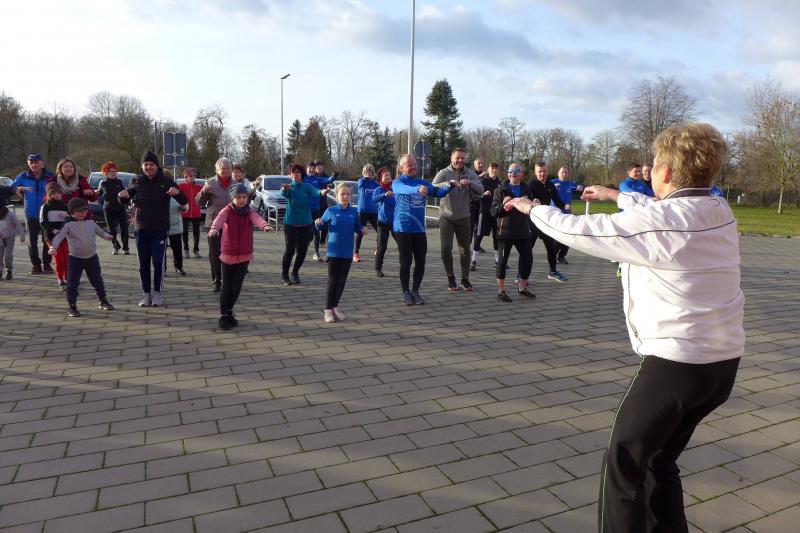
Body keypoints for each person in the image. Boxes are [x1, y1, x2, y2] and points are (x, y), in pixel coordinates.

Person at [509, 122, 744, 533]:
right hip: (722, 367)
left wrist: (532, 208)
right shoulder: (719, 210)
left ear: (665, 171)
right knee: (658, 460)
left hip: (678, 366)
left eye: (654, 165)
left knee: (623, 463)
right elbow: (655, 210)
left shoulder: (664, 223)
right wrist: (614, 195)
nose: (650, 172)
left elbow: (576, 229)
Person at [119, 151, 187, 307]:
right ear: (142, 166)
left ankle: (157, 292)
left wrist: (177, 193)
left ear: (157, 166)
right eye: (146, 164)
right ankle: (146, 294)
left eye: (151, 164)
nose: (149, 167)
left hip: (160, 229)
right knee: (143, 264)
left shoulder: (166, 181)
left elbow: (183, 200)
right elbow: (125, 199)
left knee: (157, 262)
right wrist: (121, 196)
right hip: (141, 228)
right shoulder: (137, 181)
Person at [208, 183, 271, 330]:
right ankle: (223, 316)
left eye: (244, 197)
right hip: (228, 254)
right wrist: (214, 228)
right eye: (238, 197)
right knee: (227, 287)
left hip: (244, 254)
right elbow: (219, 220)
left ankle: (229, 312)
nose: (242, 200)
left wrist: (265, 225)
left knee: (236, 288)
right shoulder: (227, 210)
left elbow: (257, 219)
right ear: (233, 198)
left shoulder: (250, 211)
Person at [393, 154, 454, 305]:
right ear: (402, 167)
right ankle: (405, 292)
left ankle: (415, 291)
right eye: (409, 165)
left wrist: (450, 186)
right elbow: (404, 189)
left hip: (419, 229)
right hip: (403, 228)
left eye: (415, 164)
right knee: (406, 262)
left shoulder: (423, 182)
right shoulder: (398, 183)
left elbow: (437, 193)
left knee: (421, 261)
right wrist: (417, 189)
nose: (414, 167)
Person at [49, 198, 114, 317]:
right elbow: (59, 236)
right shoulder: (68, 224)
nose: (82, 213)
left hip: (92, 257)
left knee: (97, 280)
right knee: (73, 283)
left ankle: (103, 301)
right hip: (75, 259)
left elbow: (100, 231)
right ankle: (72, 306)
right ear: (71, 212)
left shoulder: (91, 222)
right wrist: (53, 247)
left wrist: (107, 236)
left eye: (84, 211)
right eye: (79, 211)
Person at [432, 148, 483, 291]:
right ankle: (450, 277)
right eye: (457, 158)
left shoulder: (470, 173)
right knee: (446, 248)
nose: (460, 160)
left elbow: (480, 189)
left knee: (464, 249)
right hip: (446, 217)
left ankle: (465, 279)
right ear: (451, 158)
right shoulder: (443, 173)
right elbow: (433, 187)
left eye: (462, 158)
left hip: (464, 217)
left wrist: (470, 183)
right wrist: (448, 184)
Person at [315, 182, 364, 323]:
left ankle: (335, 306)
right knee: (332, 281)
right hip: (334, 252)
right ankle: (327, 310)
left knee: (342, 281)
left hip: (347, 252)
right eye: (342, 194)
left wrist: (362, 230)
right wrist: (318, 224)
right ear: (336, 195)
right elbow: (320, 227)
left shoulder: (354, 212)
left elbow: (358, 228)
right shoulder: (330, 211)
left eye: (348, 194)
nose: (345, 196)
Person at [491, 163, 535, 302]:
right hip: (505, 232)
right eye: (510, 171)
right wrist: (503, 205)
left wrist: (534, 203)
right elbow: (493, 212)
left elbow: (530, 206)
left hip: (523, 231)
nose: (513, 173)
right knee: (502, 262)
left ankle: (522, 288)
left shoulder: (526, 189)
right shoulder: (500, 190)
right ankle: (501, 291)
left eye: (516, 171)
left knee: (528, 259)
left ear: (522, 174)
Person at [280, 163, 327, 285]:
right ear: (291, 175)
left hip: (306, 224)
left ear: (302, 175)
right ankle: (284, 275)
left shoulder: (307, 187)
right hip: (290, 223)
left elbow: (317, 192)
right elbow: (283, 193)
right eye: (293, 173)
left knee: (302, 251)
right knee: (290, 250)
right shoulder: (289, 187)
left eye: (298, 173)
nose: (295, 175)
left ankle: (295, 273)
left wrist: (323, 191)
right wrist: (284, 189)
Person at [196, 158, 234, 292]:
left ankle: (228, 280)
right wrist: (203, 192)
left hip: (231, 224)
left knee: (230, 253)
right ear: (217, 170)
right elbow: (199, 202)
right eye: (223, 168)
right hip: (213, 224)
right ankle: (217, 281)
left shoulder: (235, 184)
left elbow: (243, 201)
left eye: (228, 168)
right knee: (215, 254)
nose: (226, 171)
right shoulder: (210, 183)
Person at [12, 154, 54, 274]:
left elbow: (57, 189)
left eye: (36, 162)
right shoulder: (23, 176)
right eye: (31, 162)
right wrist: (19, 190)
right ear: (28, 164)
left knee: (47, 239)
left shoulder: (50, 176)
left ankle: (47, 264)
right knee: (32, 241)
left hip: (47, 214)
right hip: (30, 214)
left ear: (42, 163)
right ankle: (36, 265)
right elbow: (12, 188)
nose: (34, 164)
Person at [527, 161, 568, 283]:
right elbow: (525, 200)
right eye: (540, 171)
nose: (542, 174)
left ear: (547, 171)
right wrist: (532, 202)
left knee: (551, 248)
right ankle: (521, 275)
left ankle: (553, 272)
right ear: (535, 172)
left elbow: (557, 200)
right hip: (533, 222)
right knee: (527, 250)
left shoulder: (551, 185)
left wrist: (565, 205)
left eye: (544, 171)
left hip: (545, 222)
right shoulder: (531, 185)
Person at [550, 166, 583, 264]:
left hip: (567, 213)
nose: (564, 174)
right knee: (558, 236)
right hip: (556, 213)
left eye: (566, 173)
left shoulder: (570, 184)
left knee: (568, 236)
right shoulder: (552, 182)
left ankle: (561, 256)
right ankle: (552, 256)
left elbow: (580, 188)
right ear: (558, 173)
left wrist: (581, 187)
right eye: (562, 172)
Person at [39, 183, 70, 289]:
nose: (57, 195)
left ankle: (68, 279)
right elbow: (43, 222)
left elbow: (71, 221)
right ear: (49, 194)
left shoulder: (65, 206)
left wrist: (67, 216)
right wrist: (53, 230)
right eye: (54, 193)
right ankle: (60, 280)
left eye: (59, 193)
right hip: (51, 237)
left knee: (66, 259)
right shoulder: (45, 207)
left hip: (64, 237)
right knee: (59, 259)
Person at [96, 161, 130, 255]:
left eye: (115, 170)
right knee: (111, 229)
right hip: (108, 208)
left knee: (124, 227)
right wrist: (94, 193)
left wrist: (127, 196)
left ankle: (126, 248)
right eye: (111, 171)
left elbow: (125, 192)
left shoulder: (120, 181)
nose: (114, 172)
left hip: (120, 207)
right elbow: (98, 193)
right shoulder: (103, 183)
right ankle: (116, 246)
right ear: (106, 172)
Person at [472, 162, 501, 271]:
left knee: (496, 237)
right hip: (484, 212)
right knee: (479, 235)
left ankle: (498, 261)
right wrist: (483, 195)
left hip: (496, 213)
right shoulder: (482, 181)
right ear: (488, 170)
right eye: (492, 168)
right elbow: (474, 196)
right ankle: (473, 260)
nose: (494, 170)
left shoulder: (499, 183)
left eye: (496, 169)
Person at [307, 160, 335, 262]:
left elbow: (329, 180)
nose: (312, 169)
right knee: (305, 230)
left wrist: (334, 176)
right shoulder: (303, 178)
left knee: (316, 230)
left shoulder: (318, 179)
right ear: (306, 169)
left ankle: (316, 253)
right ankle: (300, 247)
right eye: (310, 168)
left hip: (316, 209)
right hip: (305, 209)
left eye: (313, 168)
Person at [372, 167, 396, 277]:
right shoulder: (379, 189)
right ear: (381, 177)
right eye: (385, 175)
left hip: (395, 222)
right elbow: (374, 199)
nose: (388, 177)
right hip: (383, 222)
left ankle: (404, 265)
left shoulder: (394, 188)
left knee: (402, 244)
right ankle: (378, 268)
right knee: (382, 246)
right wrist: (384, 195)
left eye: (389, 175)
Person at [354, 164, 379, 262]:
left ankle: (378, 249)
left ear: (373, 173)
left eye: (370, 171)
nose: (368, 173)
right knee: (360, 232)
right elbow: (360, 183)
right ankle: (356, 253)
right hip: (362, 211)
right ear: (363, 173)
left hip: (374, 211)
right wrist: (365, 177)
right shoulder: (361, 181)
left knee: (380, 231)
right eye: (366, 171)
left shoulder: (375, 184)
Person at [178, 167, 203, 258]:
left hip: (196, 213)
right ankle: (186, 249)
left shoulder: (199, 187)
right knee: (184, 232)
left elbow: (203, 198)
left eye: (194, 176)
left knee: (196, 232)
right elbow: (177, 198)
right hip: (185, 212)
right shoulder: (181, 186)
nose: (192, 177)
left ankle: (196, 250)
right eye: (190, 176)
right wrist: (180, 206)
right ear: (186, 177)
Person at [0, 197, 25, 280]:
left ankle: (9, 270)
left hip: (9, 238)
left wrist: (22, 235)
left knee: (7, 256)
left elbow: (18, 224)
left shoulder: (10, 214)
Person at [470, 157, 487, 246]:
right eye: (478, 163)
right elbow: (470, 183)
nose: (480, 165)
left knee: (479, 228)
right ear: (475, 165)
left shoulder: (486, 175)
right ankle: (467, 246)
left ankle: (477, 246)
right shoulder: (471, 174)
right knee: (470, 227)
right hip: (472, 205)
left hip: (483, 205)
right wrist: (480, 177)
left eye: (482, 163)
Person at [168, 197, 187, 275]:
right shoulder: (158, 193)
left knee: (177, 248)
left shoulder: (177, 194)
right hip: (161, 226)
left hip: (175, 226)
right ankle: (162, 268)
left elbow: (185, 205)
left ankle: (179, 267)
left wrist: (184, 208)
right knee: (161, 249)